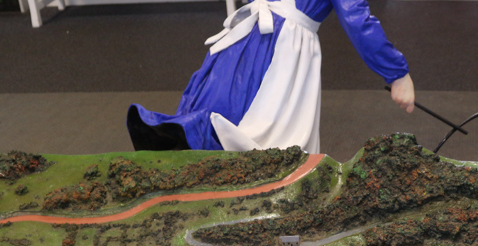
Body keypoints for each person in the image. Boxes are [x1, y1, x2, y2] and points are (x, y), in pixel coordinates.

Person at [127, 0, 414, 153]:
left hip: (243, 44)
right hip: (276, 50)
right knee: (262, 135)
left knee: (225, 113)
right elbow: (357, 20)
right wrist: (396, 73)